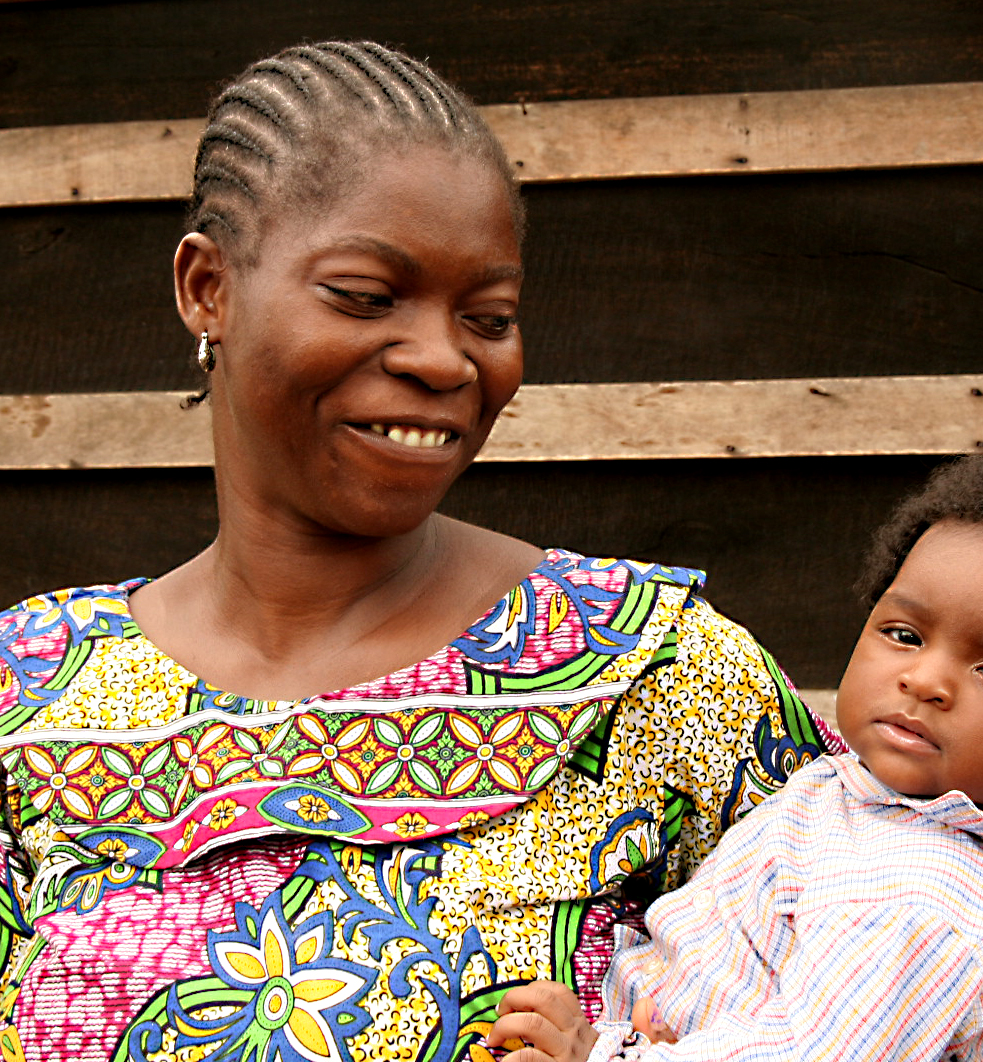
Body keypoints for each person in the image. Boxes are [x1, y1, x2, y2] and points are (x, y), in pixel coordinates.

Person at [0, 42, 843, 1062]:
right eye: (364, 295)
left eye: (489, 317)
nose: (445, 359)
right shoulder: (27, 698)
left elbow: (901, 996)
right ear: (207, 287)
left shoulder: (664, 681)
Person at [490, 453, 983, 1062]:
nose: (924, 681)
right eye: (903, 633)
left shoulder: (930, 902)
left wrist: (600, 1054)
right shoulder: (860, 803)